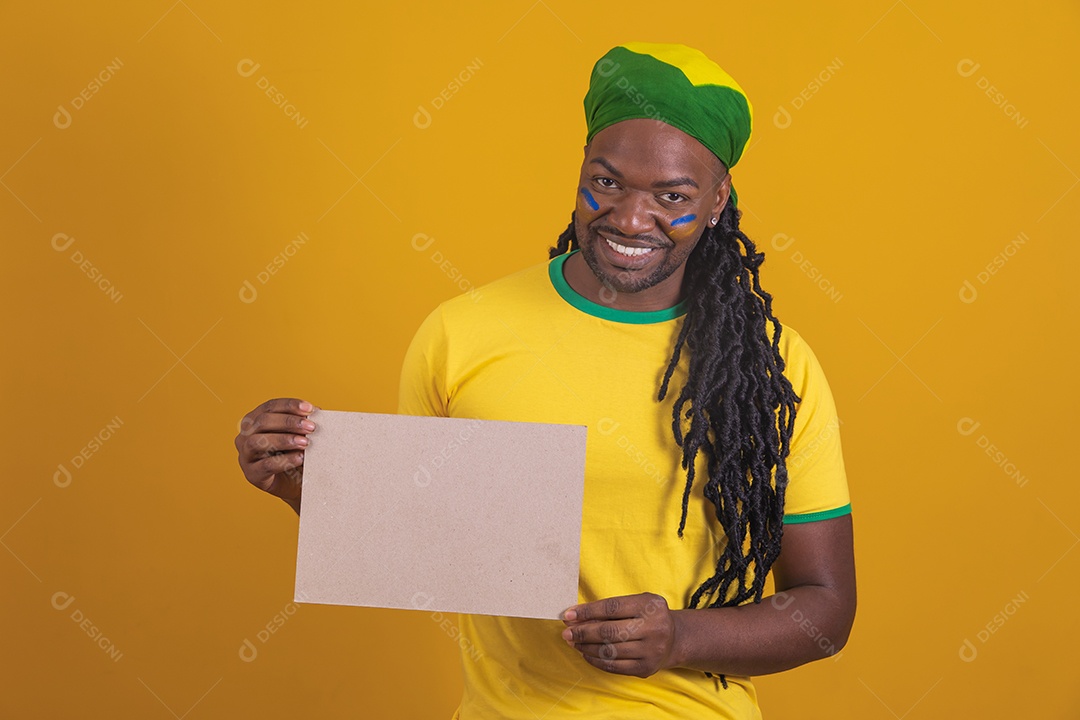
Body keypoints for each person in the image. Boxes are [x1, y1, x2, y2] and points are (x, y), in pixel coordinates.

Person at [234, 42, 855, 719]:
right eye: (608, 182)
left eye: (670, 196)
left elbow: (826, 606)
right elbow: (419, 545)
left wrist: (680, 636)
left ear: (716, 202)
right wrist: (301, 479)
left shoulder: (774, 369)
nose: (627, 218)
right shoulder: (460, 336)